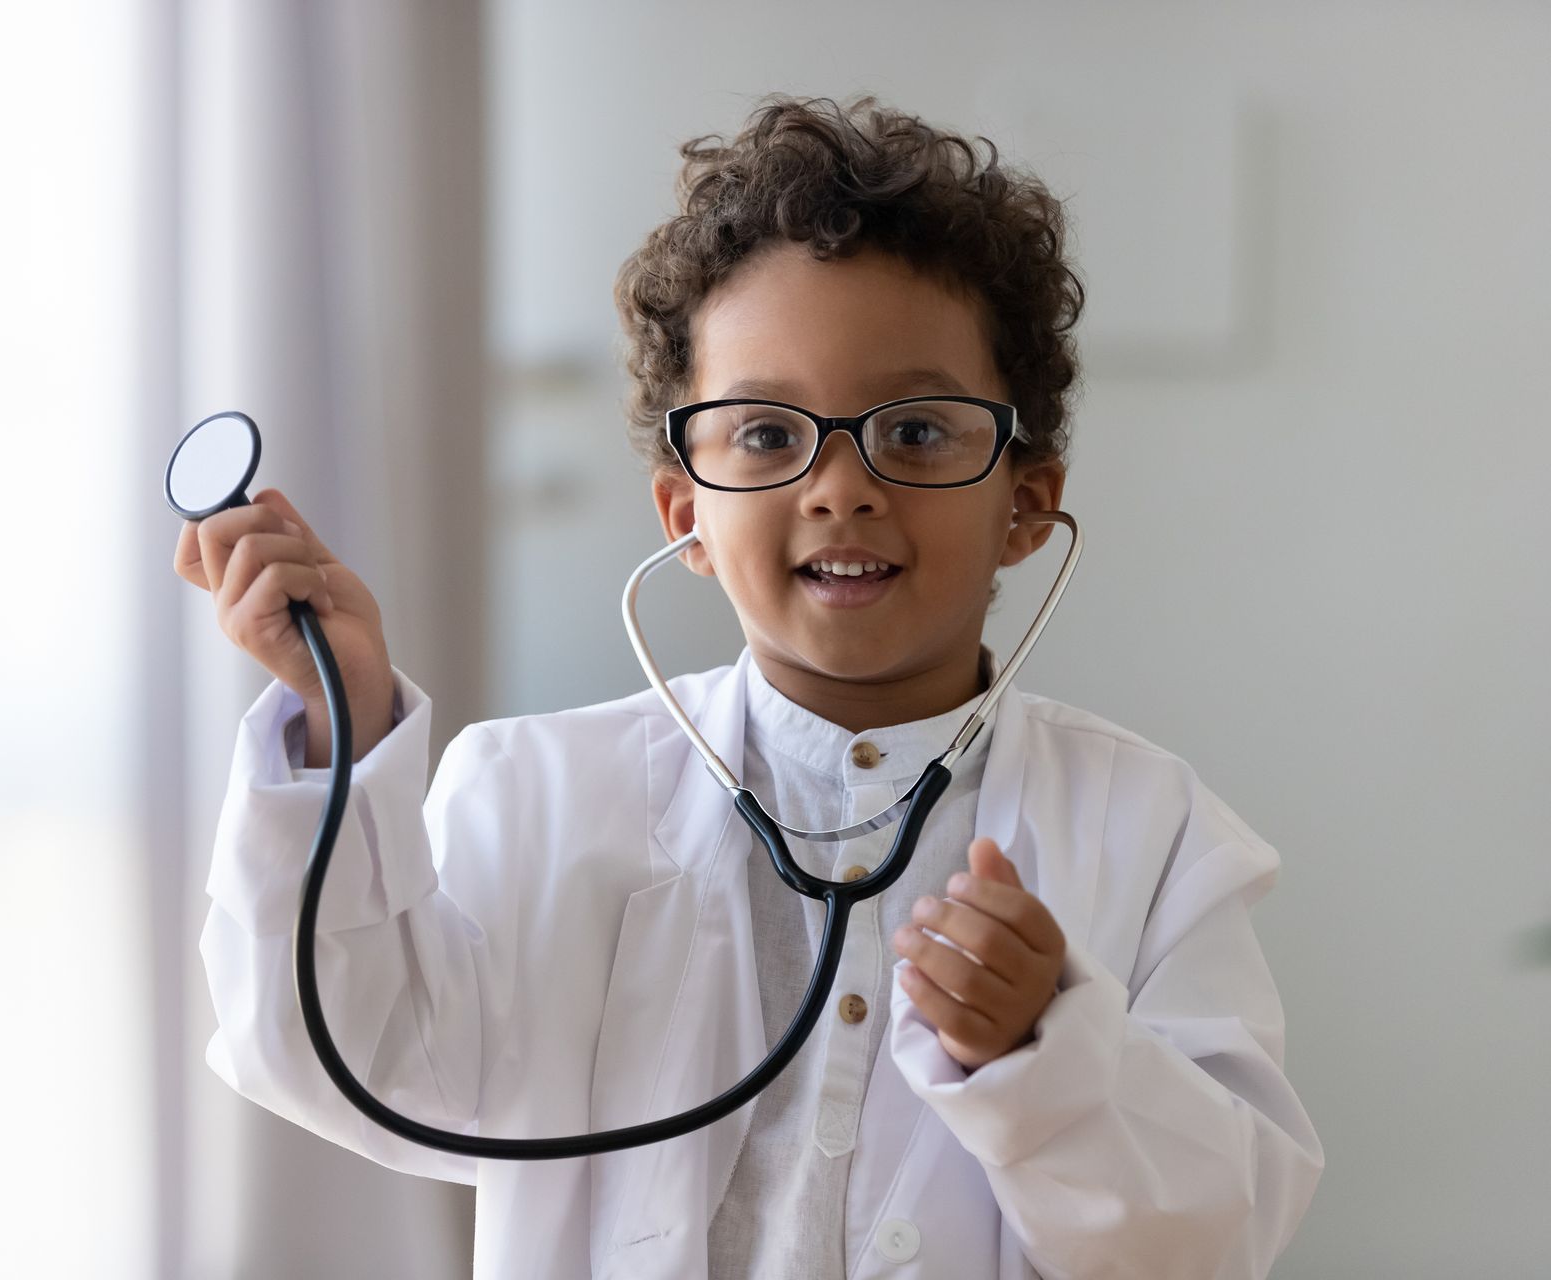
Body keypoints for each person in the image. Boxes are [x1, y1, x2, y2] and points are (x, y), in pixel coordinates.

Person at [175, 94, 1323, 1279]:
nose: (841, 485)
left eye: (919, 432)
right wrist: (342, 728)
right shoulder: (542, 793)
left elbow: (1218, 1229)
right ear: (687, 515)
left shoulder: (1154, 833)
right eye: (769, 436)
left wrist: (1047, 1050)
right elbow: (345, 1057)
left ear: (1024, 502)